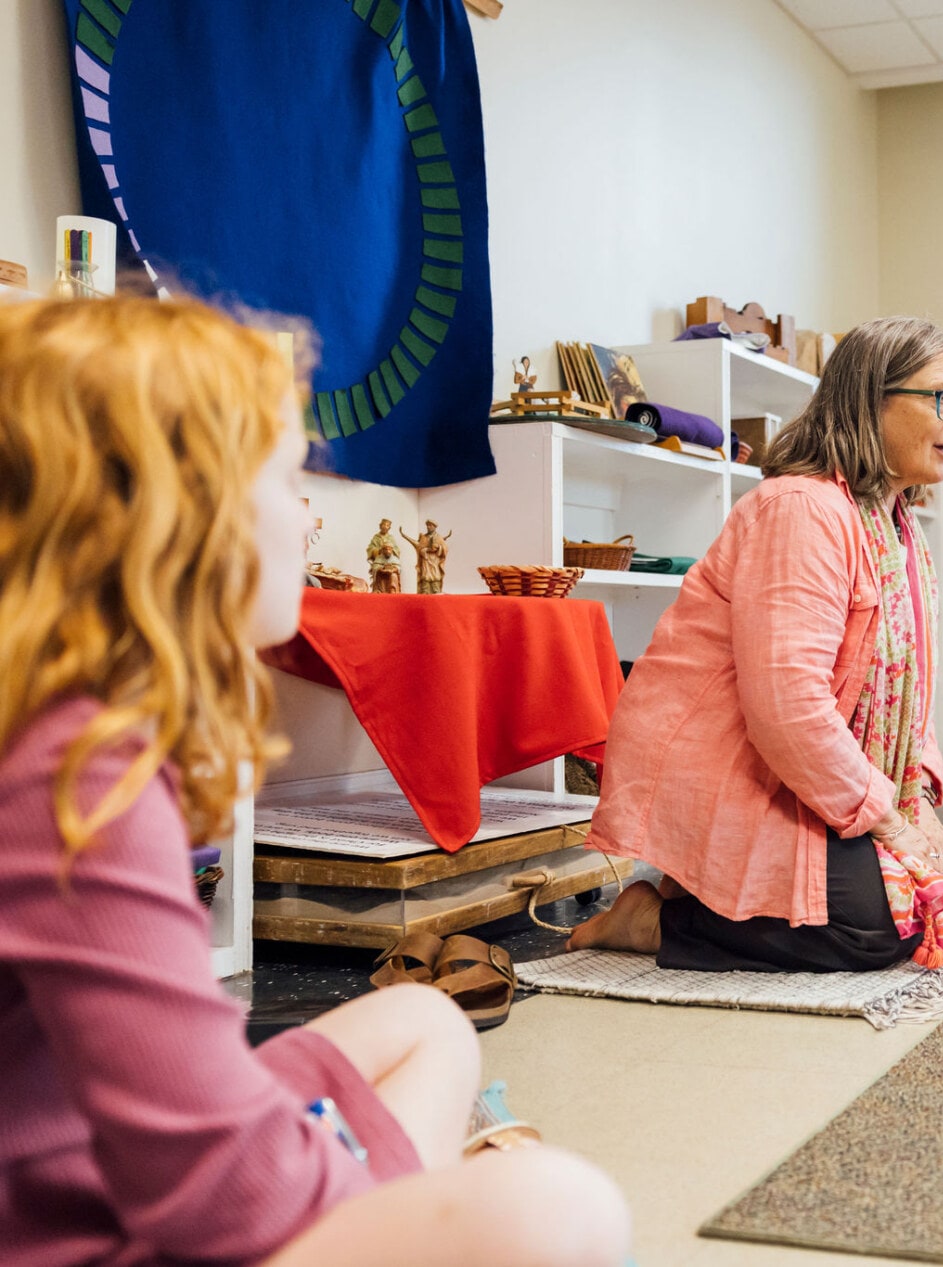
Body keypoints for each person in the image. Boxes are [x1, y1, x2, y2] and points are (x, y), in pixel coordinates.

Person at [0, 298, 630, 1267]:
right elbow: (224, 1196)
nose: (302, 514)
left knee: (427, 1018)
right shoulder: (78, 776)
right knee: (556, 1208)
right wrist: (371, 1181)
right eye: (285, 477)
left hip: (101, 1162)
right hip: (79, 1226)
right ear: (178, 514)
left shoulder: (63, 725)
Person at [568, 316, 943, 971]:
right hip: (741, 772)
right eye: (941, 398)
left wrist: (918, 805)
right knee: (875, 924)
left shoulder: (895, 525)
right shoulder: (801, 508)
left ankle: (711, 899)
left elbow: (914, 688)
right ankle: (657, 916)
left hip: (796, 770)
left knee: (936, 886)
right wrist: (888, 820)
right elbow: (787, 708)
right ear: (871, 400)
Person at [401, 519, 452, 594]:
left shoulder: (439, 537)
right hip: (426, 560)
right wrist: (425, 550)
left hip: (435, 560)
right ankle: (425, 591)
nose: (428, 527)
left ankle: (436, 590)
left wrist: (438, 547)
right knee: (425, 576)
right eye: (427, 525)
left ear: (434, 527)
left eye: (430, 525)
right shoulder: (424, 537)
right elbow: (419, 547)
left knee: (435, 575)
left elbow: (445, 548)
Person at [366, 517, 402, 594]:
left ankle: (393, 591)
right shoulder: (376, 537)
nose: (385, 526)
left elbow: (397, 549)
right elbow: (370, 549)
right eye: (384, 525)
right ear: (380, 526)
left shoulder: (391, 538)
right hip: (380, 559)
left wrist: (390, 550)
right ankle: (379, 590)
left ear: (389, 528)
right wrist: (379, 551)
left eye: (387, 525)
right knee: (379, 574)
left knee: (393, 576)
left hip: (390, 561)